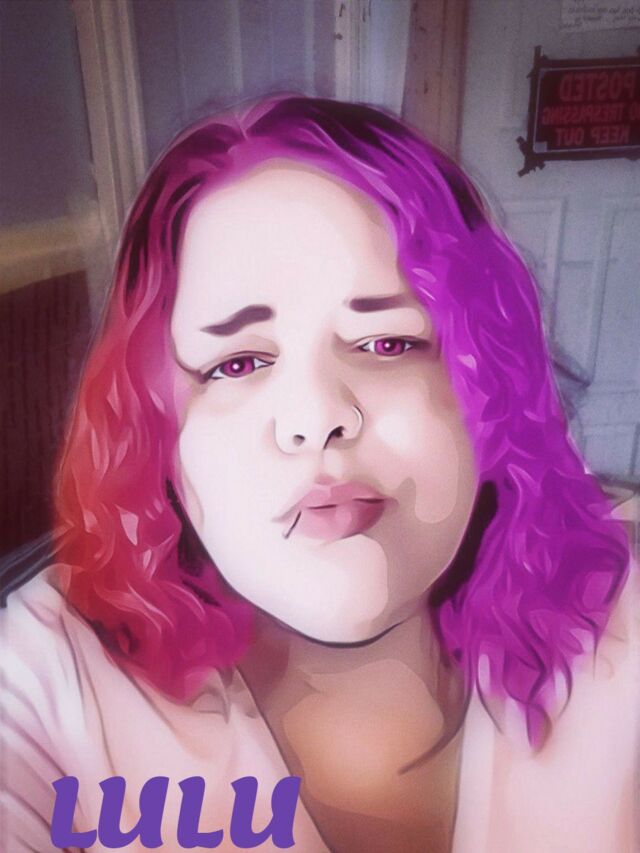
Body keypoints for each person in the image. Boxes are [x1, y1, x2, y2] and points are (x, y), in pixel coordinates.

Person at [1, 95, 637, 853]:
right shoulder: (49, 683)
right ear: (158, 434)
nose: (316, 417)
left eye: (387, 343)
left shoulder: (622, 607)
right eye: (237, 363)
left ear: (488, 389)